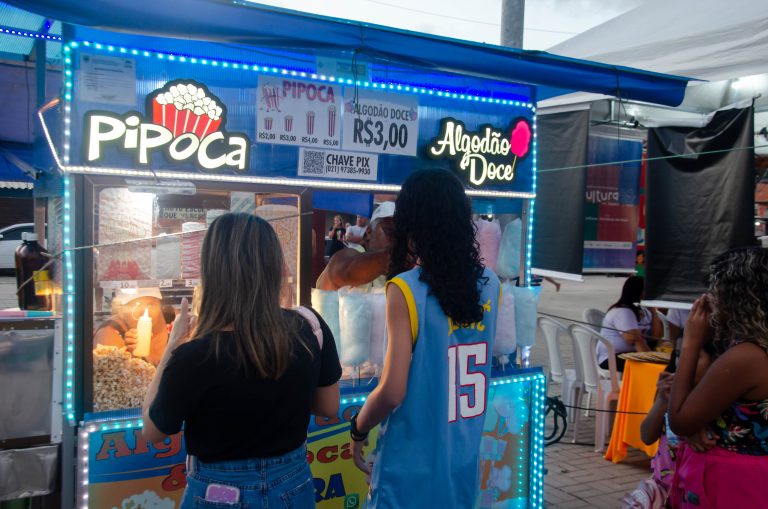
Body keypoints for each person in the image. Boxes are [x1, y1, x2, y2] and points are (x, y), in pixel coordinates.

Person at [141, 213, 341, 509]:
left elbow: (152, 431)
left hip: (219, 494)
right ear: (273, 266)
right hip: (292, 485)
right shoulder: (309, 328)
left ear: (212, 272)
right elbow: (328, 406)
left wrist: (172, 345)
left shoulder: (192, 357)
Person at [349, 169, 501, 509]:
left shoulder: (406, 289)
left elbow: (392, 391)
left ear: (412, 223)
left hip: (408, 470)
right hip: (461, 464)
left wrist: (359, 427)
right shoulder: (491, 284)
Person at [667, 247, 768, 508]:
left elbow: (680, 421)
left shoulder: (746, 357)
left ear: (736, 298)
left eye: (714, 291)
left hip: (736, 482)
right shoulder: (754, 350)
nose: (708, 299)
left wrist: (690, 342)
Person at [315, 203, 394, 291]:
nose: (396, 238)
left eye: (401, 234)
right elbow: (345, 270)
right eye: (389, 230)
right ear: (369, 232)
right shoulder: (349, 256)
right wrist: (397, 254)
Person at [598, 276, 661, 372]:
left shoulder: (644, 310)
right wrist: (653, 360)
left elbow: (656, 337)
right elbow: (634, 340)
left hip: (633, 353)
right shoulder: (622, 312)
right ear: (638, 292)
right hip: (612, 357)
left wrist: (653, 311)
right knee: (653, 368)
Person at [94, 288, 168, 366]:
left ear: (160, 305)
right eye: (135, 305)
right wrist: (131, 358)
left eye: (151, 305)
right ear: (120, 310)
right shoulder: (109, 334)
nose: (145, 313)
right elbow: (109, 370)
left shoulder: (171, 320)